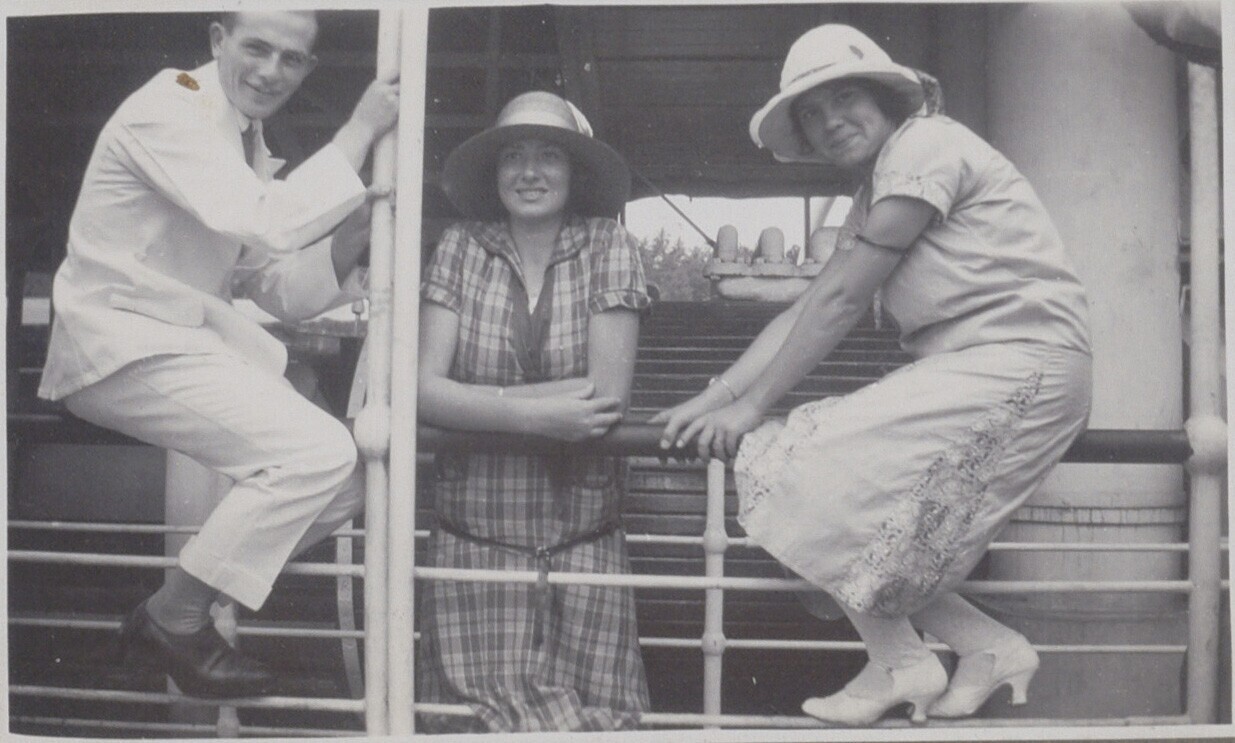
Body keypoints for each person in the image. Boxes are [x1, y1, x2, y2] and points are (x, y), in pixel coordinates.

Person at [654, 24, 1092, 725]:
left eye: (844, 98)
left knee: (799, 468)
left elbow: (841, 301)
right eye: (810, 113)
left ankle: (901, 662)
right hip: (983, 367)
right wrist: (718, 396)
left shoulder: (925, 145)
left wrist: (751, 407)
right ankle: (988, 647)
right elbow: (806, 306)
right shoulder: (878, 190)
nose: (829, 121)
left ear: (885, 101)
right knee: (871, 527)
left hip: (1017, 361)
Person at [37, 11, 399, 697]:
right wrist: (360, 129)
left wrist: (346, 241)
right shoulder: (169, 107)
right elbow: (267, 219)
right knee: (317, 453)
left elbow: (273, 285)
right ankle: (177, 618)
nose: (270, 72)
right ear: (216, 41)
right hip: (118, 340)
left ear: (308, 67)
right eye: (256, 48)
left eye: (291, 59)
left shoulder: (241, 139)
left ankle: (177, 605)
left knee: (349, 481)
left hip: (175, 341)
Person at [416, 91, 651, 731]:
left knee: (595, 726)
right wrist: (535, 417)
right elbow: (422, 392)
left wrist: (472, 404)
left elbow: (606, 396)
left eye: (549, 155)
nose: (528, 172)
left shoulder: (608, 244)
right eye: (511, 156)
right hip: (473, 551)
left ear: (575, 172)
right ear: (494, 173)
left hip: (582, 550)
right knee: (469, 727)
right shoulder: (461, 247)